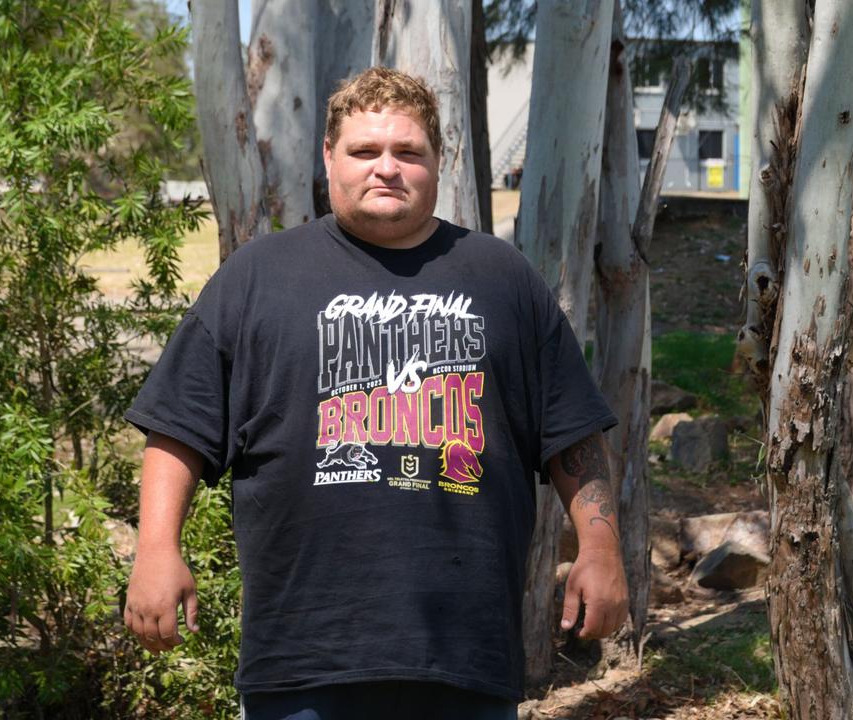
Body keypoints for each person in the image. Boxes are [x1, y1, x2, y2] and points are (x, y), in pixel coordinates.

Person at [122, 67, 627, 720]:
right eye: (365, 150)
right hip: (302, 657)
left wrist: (600, 547)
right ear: (329, 157)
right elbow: (179, 428)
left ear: (437, 162)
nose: (386, 167)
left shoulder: (503, 279)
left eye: (407, 152)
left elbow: (571, 432)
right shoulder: (257, 276)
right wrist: (157, 549)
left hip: (467, 658)